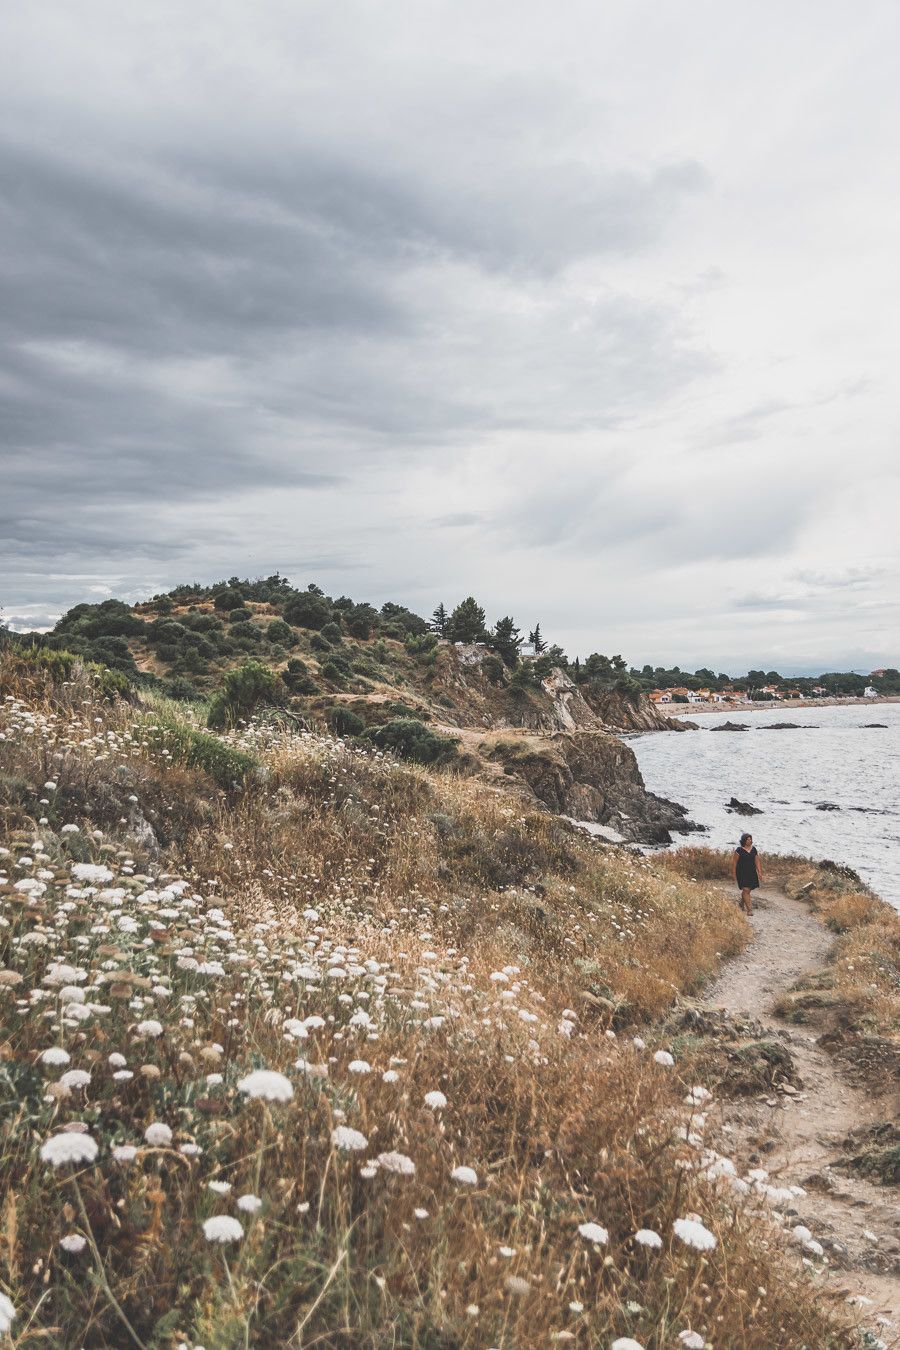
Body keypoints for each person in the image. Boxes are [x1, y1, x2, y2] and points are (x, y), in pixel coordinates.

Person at [732, 832, 762, 915]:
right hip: (741, 873)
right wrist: (734, 874)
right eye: (748, 839)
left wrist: (759, 872)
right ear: (744, 841)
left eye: (750, 839)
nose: (750, 840)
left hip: (751, 872)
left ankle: (742, 902)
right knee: (746, 889)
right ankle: (749, 910)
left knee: (748, 890)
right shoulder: (739, 850)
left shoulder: (754, 849)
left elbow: (757, 861)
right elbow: (734, 863)